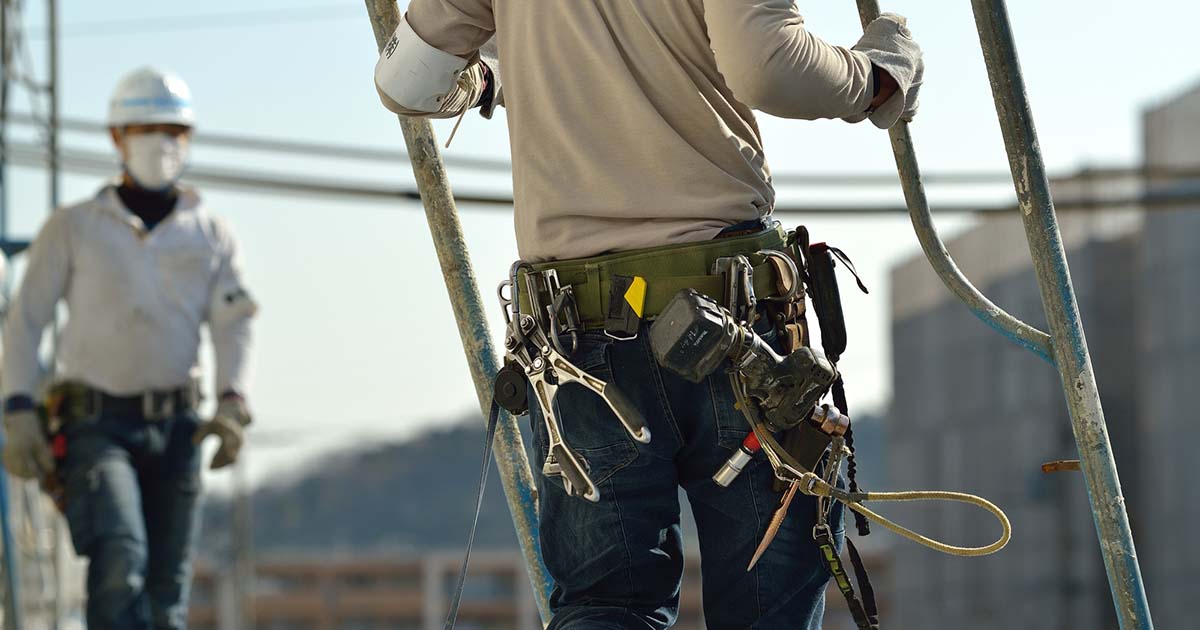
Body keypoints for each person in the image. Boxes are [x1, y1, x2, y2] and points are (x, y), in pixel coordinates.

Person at [373, 2, 922, 628]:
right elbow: (768, 64)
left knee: (609, 607)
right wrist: (878, 76)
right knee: (769, 606)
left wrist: (493, 77)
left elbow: (409, 82)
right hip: (735, 322)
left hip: (578, 339)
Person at [0, 66, 256, 630]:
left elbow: (233, 324)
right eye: (145, 128)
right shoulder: (73, 228)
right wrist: (17, 409)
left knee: (167, 596)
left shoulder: (211, 233)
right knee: (121, 560)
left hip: (179, 426)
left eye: (172, 129)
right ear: (117, 137)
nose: (160, 142)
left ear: (187, 139)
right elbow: (25, 321)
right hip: (97, 425)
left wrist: (232, 401)